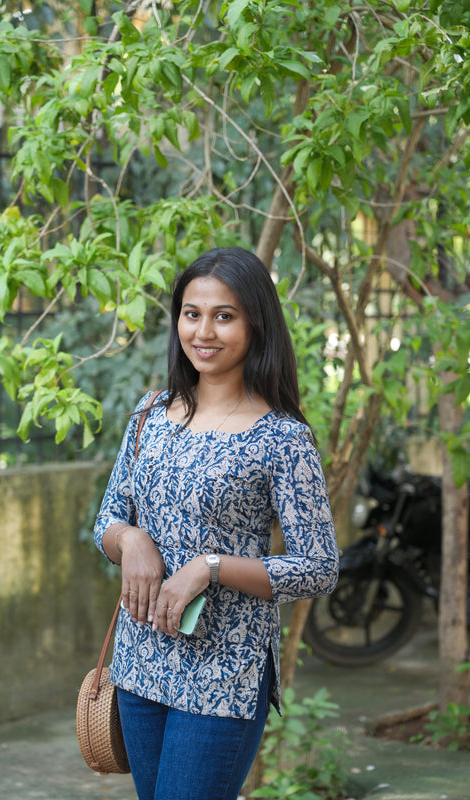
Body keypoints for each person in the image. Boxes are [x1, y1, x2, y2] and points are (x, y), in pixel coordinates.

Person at [93, 246, 339, 800]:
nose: (204, 331)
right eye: (191, 313)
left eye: (224, 315)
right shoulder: (150, 415)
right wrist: (130, 539)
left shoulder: (283, 438)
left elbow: (319, 569)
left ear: (256, 323)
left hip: (224, 673)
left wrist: (210, 567)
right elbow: (106, 520)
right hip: (139, 661)